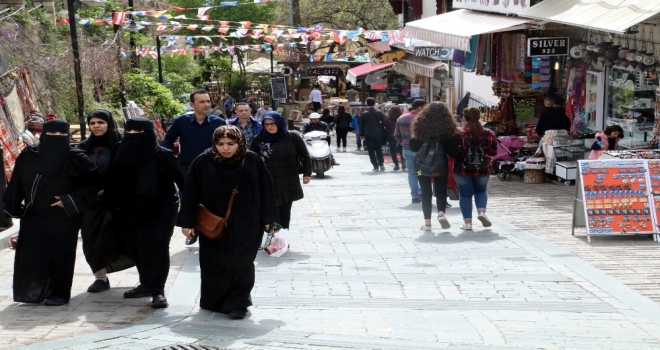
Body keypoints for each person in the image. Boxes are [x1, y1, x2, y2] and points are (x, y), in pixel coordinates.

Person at [178, 126, 280, 319]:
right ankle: (214, 301)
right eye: (220, 144)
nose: (225, 148)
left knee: (242, 264)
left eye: (230, 144)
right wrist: (187, 222)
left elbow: (266, 190)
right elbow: (190, 193)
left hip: (248, 222)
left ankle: (238, 303)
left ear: (239, 143)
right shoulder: (203, 161)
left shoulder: (251, 160)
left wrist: (270, 220)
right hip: (214, 224)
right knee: (215, 263)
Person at [4, 119, 99, 306]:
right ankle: (35, 292)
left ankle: (59, 293)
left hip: (65, 217)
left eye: (61, 135)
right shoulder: (29, 155)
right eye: (52, 135)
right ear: (43, 135)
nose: (56, 138)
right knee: (33, 253)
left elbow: (93, 185)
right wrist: (14, 207)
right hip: (35, 213)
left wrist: (69, 200)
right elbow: (17, 182)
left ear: (68, 137)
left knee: (61, 254)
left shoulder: (77, 157)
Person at [104, 117, 186, 308]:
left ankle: (158, 290)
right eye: (129, 132)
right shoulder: (119, 151)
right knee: (138, 248)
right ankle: (146, 284)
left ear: (148, 135)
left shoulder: (162, 155)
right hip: (129, 210)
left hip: (161, 210)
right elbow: (112, 180)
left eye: (138, 133)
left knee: (157, 248)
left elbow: (183, 181)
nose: (133, 137)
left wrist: (188, 211)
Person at [78, 110, 133, 293]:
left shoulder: (122, 144)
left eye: (100, 122)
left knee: (126, 238)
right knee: (91, 239)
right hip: (91, 202)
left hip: (118, 201)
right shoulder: (84, 147)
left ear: (108, 123)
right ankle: (100, 277)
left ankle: (146, 279)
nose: (96, 126)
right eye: (92, 123)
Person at [251, 112, 312, 229]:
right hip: (267, 182)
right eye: (266, 124)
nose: (269, 127)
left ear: (279, 123)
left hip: (288, 180)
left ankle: (283, 236)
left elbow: (305, 155)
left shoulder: (292, 137)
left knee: (285, 210)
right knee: (269, 211)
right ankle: (272, 238)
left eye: (272, 124)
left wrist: (307, 173)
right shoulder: (258, 140)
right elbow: (252, 160)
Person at [409, 103, 463, 231]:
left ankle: (427, 223)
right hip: (441, 165)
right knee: (441, 191)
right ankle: (441, 214)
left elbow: (413, 146)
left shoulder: (420, 127)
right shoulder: (448, 129)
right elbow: (454, 151)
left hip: (422, 166)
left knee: (426, 192)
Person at [162, 89, 226, 174]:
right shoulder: (181, 121)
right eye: (202, 102)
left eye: (208, 101)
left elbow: (226, 142)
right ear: (192, 104)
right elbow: (168, 139)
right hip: (186, 167)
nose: (206, 104)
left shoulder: (219, 123)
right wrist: (170, 158)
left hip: (211, 167)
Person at [454, 107, 498, 231]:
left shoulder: (459, 133)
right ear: (479, 116)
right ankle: (481, 212)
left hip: (462, 168)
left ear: (464, 117)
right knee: (481, 191)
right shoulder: (488, 133)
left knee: (465, 195)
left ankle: (467, 223)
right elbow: (494, 152)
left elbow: (454, 151)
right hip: (482, 168)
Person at [395, 99, 427, 203]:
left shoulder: (401, 118)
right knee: (421, 172)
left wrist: (404, 143)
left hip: (407, 149)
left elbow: (396, 135)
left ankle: (414, 195)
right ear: (419, 107)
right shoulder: (423, 119)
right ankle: (422, 192)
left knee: (412, 173)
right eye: (425, 106)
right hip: (421, 150)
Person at [360, 97, 387, 172]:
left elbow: (362, 125)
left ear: (367, 104)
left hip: (368, 133)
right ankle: (381, 164)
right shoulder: (380, 113)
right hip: (378, 133)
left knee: (371, 150)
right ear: (375, 103)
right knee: (379, 149)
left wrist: (361, 134)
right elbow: (384, 123)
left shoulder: (364, 114)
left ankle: (375, 166)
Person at [386, 106, 404, 171]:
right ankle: (403, 163)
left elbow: (387, 129)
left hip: (391, 136)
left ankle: (396, 164)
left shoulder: (388, 119)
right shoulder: (402, 118)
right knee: (402, 149)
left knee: (393, 150)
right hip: (401, 136)